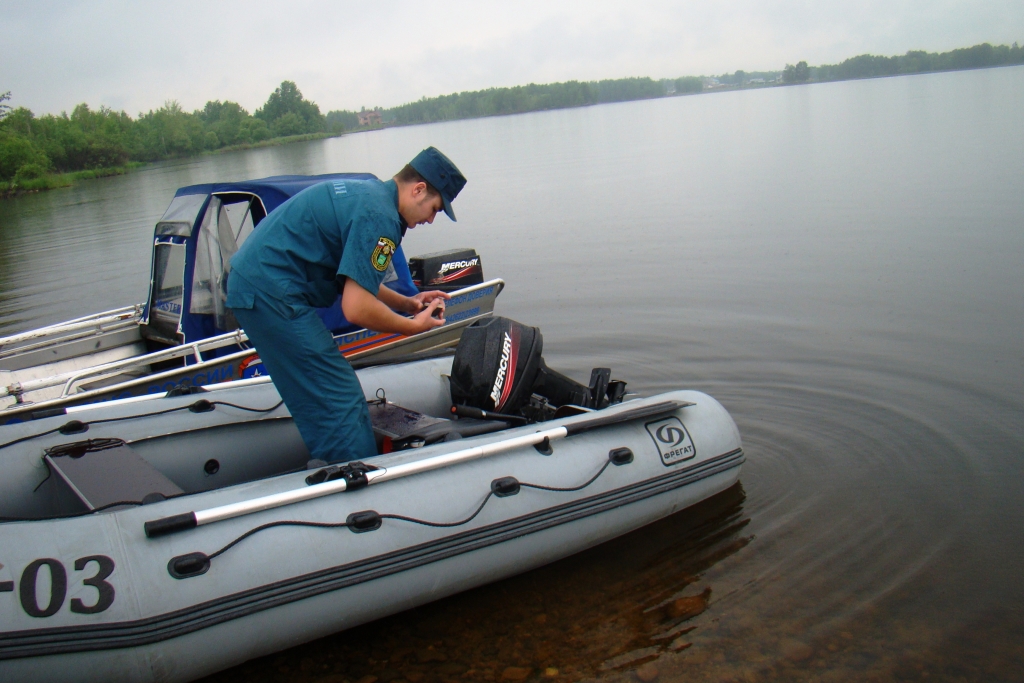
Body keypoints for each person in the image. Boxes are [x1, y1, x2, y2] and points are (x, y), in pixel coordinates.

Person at [226, 147, 467, 463]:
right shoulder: (380, 218)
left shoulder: (372, 199)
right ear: (418, 189)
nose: (431, 219)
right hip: (269, 292)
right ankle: (351, 481)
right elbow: (356, 307)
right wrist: (412, 327)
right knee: (339, 396)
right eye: (435, 208)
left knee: (325, 389)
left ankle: (331, 465)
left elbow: (359, 278)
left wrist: (408, 304)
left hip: (257, 284)